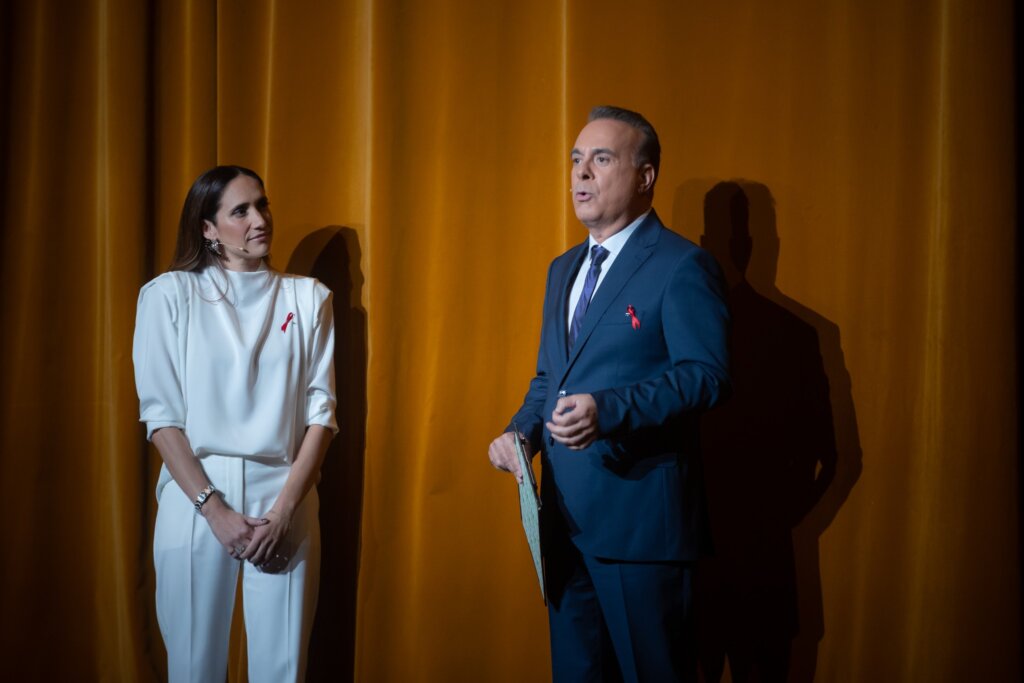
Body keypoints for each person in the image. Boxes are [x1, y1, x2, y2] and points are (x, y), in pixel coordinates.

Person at [488, 106, 730, 682]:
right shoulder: (563, 268)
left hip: (642, 530)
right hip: (564, 527)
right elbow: (550, 379)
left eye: (600, 159)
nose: (581, 173)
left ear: (645, 177)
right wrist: (519, 434)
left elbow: (708, 375)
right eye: (576, 159)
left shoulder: (682, 265)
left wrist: (610, 410)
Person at [133, 165, 336, 682]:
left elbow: (321, 415)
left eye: (262, 205)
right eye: (240, 211)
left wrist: (285, 511)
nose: (259, 220)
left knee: (282, 671)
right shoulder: (167, 295)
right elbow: (161, 418)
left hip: (284, 493)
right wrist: (213, 508)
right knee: (193, 669)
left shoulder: (309, 298)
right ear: (207, 228)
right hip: (196, 495)